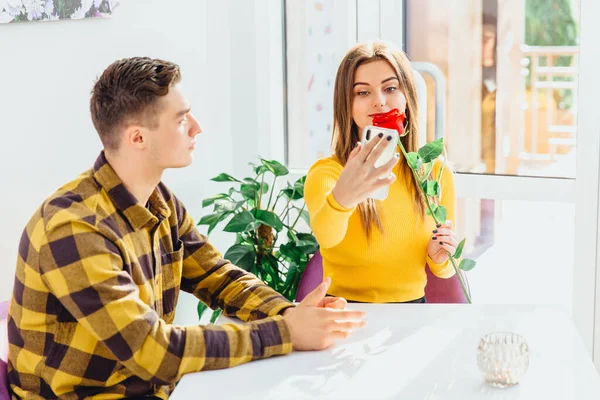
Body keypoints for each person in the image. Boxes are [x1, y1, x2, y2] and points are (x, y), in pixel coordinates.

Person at [7, 57, 366, 399]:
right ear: (137, 138)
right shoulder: (74, 229)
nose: (197, 127)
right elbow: (152, 350)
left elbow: (218, 276)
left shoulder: (158, 200)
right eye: (181, 120)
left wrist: (289, 313)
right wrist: (286, 333)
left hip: (155, 388)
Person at [304, 41, 459, 304]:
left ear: (407, 98)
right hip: (342, 312)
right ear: (347, 106)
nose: (379, 101)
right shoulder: (327, 173)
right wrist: (344, 196)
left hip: (410, 314)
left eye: (390, 88)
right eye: (362, 93)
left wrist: (440, 258)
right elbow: (327, 237)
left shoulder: (435, 173)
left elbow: (445, 269)